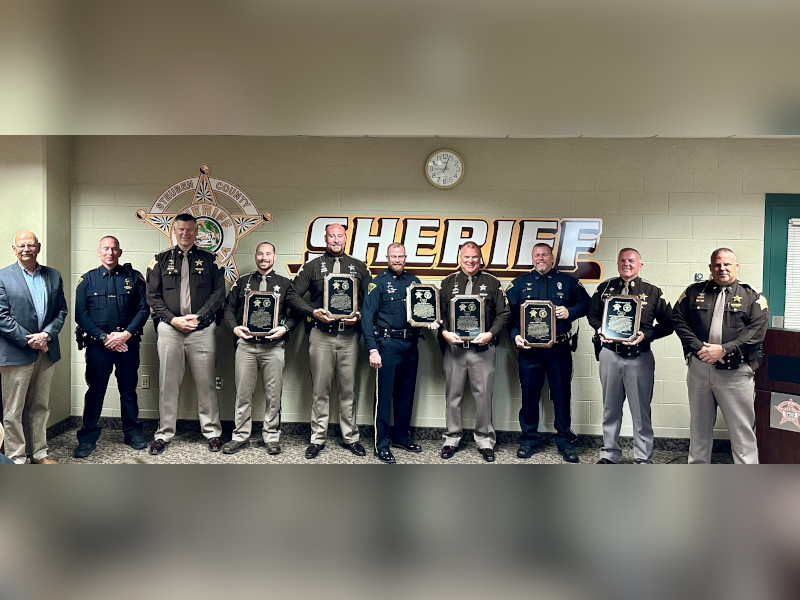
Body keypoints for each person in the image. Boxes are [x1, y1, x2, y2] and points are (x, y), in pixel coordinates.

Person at [672, 247, 768, 464]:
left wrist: (724, 349)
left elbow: (756, 331)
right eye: (717, 264)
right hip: (700, 369)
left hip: (735, 373)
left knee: (742, 430)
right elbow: (678, 319)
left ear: (736, 267)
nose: (722, 268)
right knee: (699, 427)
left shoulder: (752, 296)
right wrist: (700, 348)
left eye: (727, 264)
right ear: (710, 267)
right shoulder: (694, 292)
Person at [286, 223, 372, 460]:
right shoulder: (313, 267)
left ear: (346, 238)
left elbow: (372, 298)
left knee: (348, 388)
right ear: (325, 238)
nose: (336, 240)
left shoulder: (358, 267)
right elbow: (292, 294)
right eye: (332, 236)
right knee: (320, 389)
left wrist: (361, 315)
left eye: (340, 236)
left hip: (349, 336)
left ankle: (351, 437)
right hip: (321, 334)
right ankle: (318, 438)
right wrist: (312, 312)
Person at [145, 213, 226, 455]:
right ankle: (164, 433)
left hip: (201, 329)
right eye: (181, 229)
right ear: (174, 230)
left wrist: (198, 317)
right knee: (167, 385)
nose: (185, 234)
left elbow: (218, 294)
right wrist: (173, 319)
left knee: (207, 384)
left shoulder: (211, 260)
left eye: (190, 230)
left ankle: (212, 432)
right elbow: (152, 296)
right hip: (170, 329)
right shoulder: (159, 260)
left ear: (196, 231)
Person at [586, 248, 673, 464]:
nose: (627, 264)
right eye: (623, 260)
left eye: (631, 261)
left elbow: (670, 323)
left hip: (639, 357)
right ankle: (609, 453)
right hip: (610, 355)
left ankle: (642, 458)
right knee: (610, 407)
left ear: (640, 265)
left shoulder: (653, 292)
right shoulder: (604, 288)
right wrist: (599, 329)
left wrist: (647, 335)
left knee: (641, 411)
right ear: (617, 264)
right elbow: (592, 313)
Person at [506, 243, 590, 463]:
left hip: (558, 350)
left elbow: (587, 305)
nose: (540, 258)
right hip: (529, 351)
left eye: (544, 255)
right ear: (532, 258)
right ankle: (528, 440)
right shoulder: (519, 284)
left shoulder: (569, 282)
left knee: (561, 396)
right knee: (529, 396)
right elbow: (510, 317)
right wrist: (515, 336)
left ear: (552, 259)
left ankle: (565, 441)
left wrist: (569, 311)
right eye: (536, 255)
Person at [73, 236, 149, 458]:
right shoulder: (87, 280)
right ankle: (87, 437)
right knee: (95, 390)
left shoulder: (134, 278)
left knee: (128, 389)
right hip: (98, 346)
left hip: (128, 343)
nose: (110, 252)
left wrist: (125, 335)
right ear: (99, 252)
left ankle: (132, 432)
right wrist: (105, 338)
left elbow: (143, 310)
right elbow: (81, 314)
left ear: (120, 252)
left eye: (114, 249)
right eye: (106, 249)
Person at [362, 243, 437, 464]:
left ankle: (402, 436)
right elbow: (367, 318)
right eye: (393, 256)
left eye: (401, 256)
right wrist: (373, 349)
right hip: (387, 345)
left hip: (411, 344)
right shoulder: (378, 284)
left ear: (405, 257)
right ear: (387, 258)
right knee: (384, 397)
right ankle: (381, 444)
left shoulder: (414, 282)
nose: (397, 260)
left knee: (406, 395)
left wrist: (430, 321)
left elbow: (423, 310)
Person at [222, 242, 299, 455]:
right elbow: (228, 309)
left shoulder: (285, 283)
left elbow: (296, 312)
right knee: (243, 394)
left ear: (275, 257)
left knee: (274, 395)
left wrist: (285, 328)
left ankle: (272, 437)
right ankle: (240, 436)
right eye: (260, 254)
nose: (264, 258)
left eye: (268, 254)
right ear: (255, 256)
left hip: (273, 347)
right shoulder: (243, 282)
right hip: (246, 346)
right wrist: (235, 328)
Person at [0, 231, 68, 464]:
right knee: (13, 410)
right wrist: (30, 339)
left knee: (40, 406)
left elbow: (61, 311)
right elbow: (1, 316)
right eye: (21, 245)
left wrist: (46, 335)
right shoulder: (2, 277)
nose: (26, 249)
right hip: (15, 353)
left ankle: (39, 453)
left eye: (30, 245)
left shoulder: (53, 275)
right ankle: (16, 457)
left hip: (45, 352)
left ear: (38, 247)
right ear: (13, 248)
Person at [439, 241, 509, 462]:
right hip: (455, 350)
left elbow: (504, 313)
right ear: (460, 258)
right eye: (466, 257)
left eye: (474, 257)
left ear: (480, 258)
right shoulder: (448, 283)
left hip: (483, 350)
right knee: (453, 396)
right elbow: (437, 314)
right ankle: (451, 438)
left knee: (484, 397)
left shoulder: (492, 282)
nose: (470, 261)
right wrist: (443, 332)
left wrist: (490, 333)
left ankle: (485, 440)